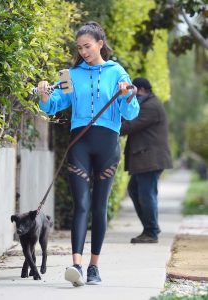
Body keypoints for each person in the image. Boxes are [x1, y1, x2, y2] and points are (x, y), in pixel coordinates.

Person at [38, 21, 139, 286]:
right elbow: (53, 107)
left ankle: (94, 266)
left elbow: (131, 113)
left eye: (87, 46)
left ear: (100, 44)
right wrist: (44, 95)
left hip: (107, 144)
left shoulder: (117, 72)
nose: (83, 51)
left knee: (98, 206)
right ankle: (77, 265)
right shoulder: (70, 75)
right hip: (79, 143)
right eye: (79, 47)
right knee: (80, 205)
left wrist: (127, 96)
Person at [120, 77, 173, 244]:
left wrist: (108, 124)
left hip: (150, 159)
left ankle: (151, 231)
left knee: (146, 194)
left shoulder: (151, 106)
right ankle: (151, 229)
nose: (132, 95)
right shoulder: (149, 103)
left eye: (133, 90)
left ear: (140, 89)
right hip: (146, 158)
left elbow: (130, 126)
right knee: (136, 191)